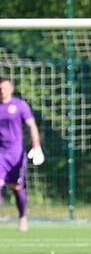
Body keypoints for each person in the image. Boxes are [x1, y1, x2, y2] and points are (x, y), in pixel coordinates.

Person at [0, 76, 44, 232]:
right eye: (0, 88)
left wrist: (36, 145)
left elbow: (31, 125)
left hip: (15, 153)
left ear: (11, 89)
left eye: (5, 87)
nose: (2, 90)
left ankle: (22, 216)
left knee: (16, 186)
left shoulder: (20, 105)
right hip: (0, 152)